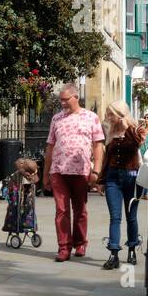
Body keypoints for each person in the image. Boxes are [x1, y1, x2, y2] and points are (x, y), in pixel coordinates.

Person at [43, 85, 105, 262]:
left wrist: (97, 170)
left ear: (76, 97)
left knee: (80, 210)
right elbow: (50, 147)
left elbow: (98, 145)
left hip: (81, 171)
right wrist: (46, 174)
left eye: (66, 99)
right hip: (59, 170)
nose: (62, 103)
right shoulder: (56, 119)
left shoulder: (91, 117)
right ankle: (63, 247)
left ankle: (80, 243)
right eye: (61, 100)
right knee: (61, 210)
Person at [95, 100, 145, 270]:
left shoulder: (136, 129)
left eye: (111, 114)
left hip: (132, 177)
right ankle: (114, 254)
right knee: (114, 217)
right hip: (112, 178)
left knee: (131, 217)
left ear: (120, 114)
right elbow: (106, 159)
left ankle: (132, 249)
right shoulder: (109, 131)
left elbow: (137, 143)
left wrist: (127, 125)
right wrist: (101, 181)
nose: (108, 117)